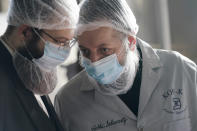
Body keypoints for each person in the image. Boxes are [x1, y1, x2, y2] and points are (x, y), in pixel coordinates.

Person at [55, 0, 197, 131]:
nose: (94, 61)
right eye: (85, 51)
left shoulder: (180, 71)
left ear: (130, 41)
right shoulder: (69, 101)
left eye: (104, 50)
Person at [0, 0, 79, 131]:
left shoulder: (31, 63)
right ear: (26, 32)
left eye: (69, 42)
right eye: (60, 42)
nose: (65, 51)